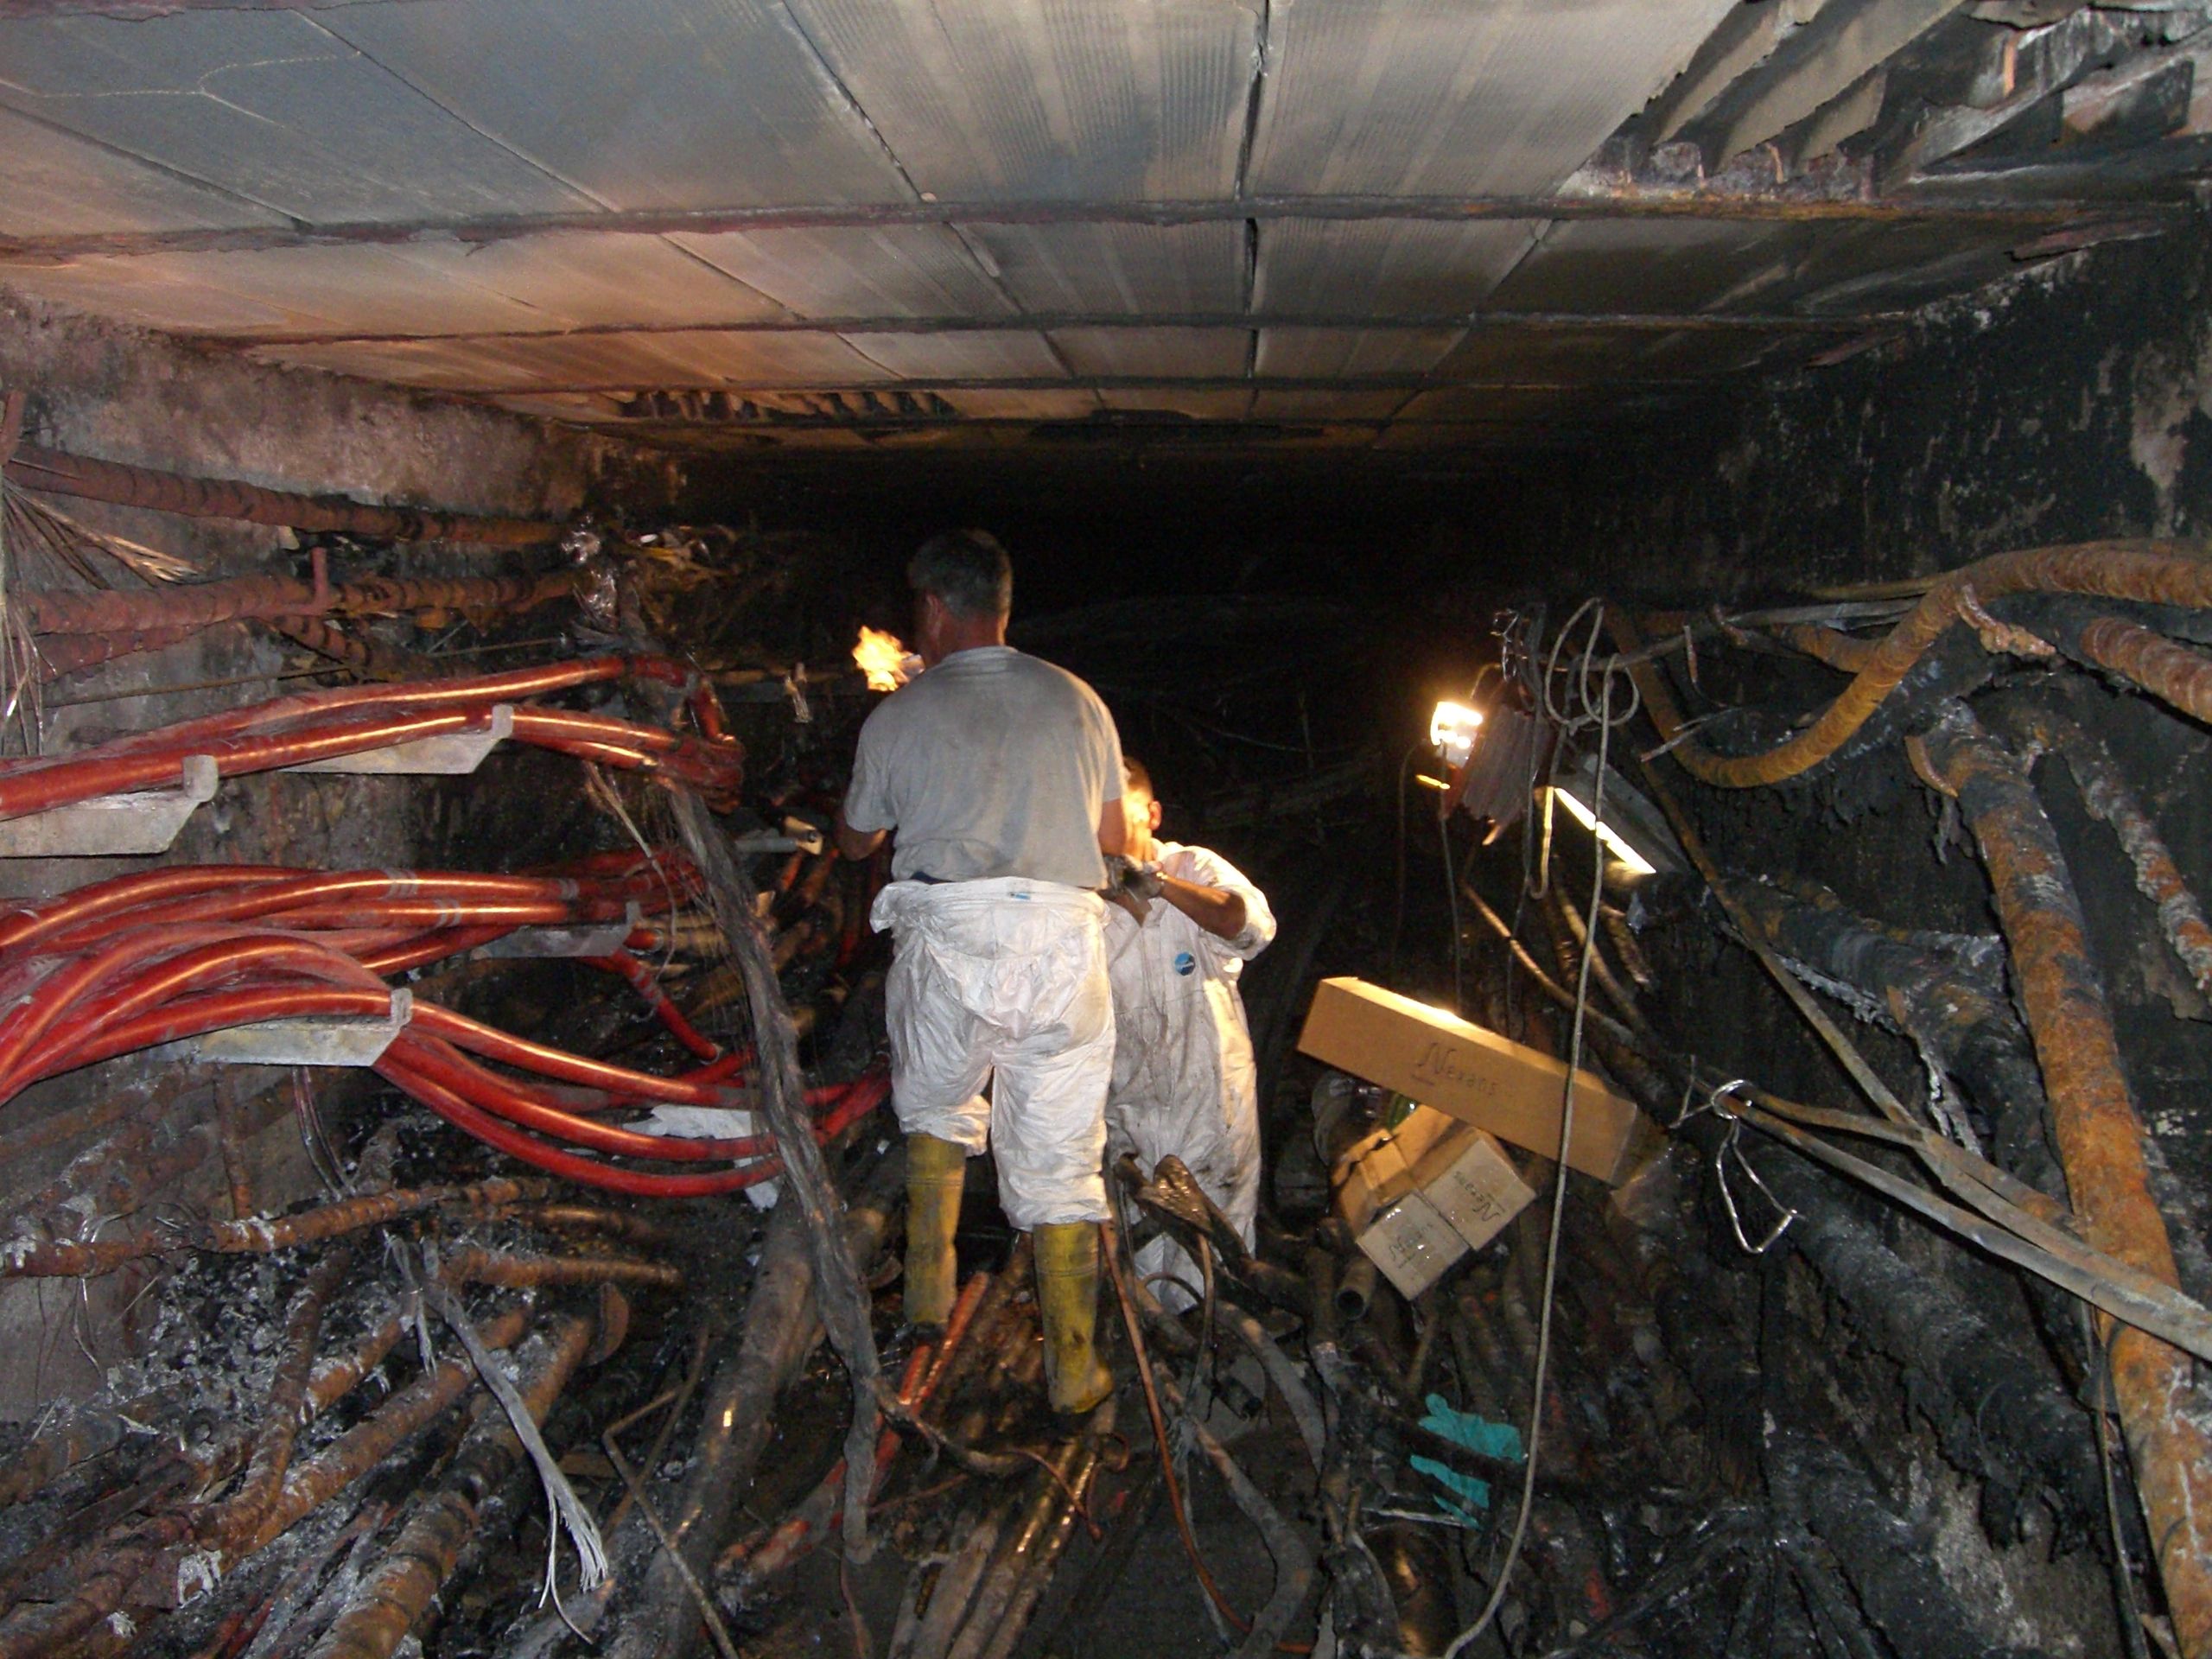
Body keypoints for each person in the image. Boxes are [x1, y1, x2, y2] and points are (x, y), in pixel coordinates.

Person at [835, 529, 1128, 1414]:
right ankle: (1073, 1374)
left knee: (934, 1110)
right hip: (1062, 941)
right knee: (1062, 1157)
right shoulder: (1079, 701)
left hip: (950, 937)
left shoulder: (898, 715)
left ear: (931, 608)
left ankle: (927, 1299)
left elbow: (856, 840)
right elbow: (1115, 844)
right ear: (1004, 606)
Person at [1102, 760, 1276, 1312]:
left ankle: (1225, 1361)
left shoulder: (1192, 865)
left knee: (1218, 1254)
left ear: (1151, 814)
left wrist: (1157, 885)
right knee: (1141, 1266)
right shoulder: (1080, 906)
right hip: (1127, 1113)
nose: (1104, 837)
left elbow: (1247, 925)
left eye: (1116, 816)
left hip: (1209, 1105)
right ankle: (1157, 1375)